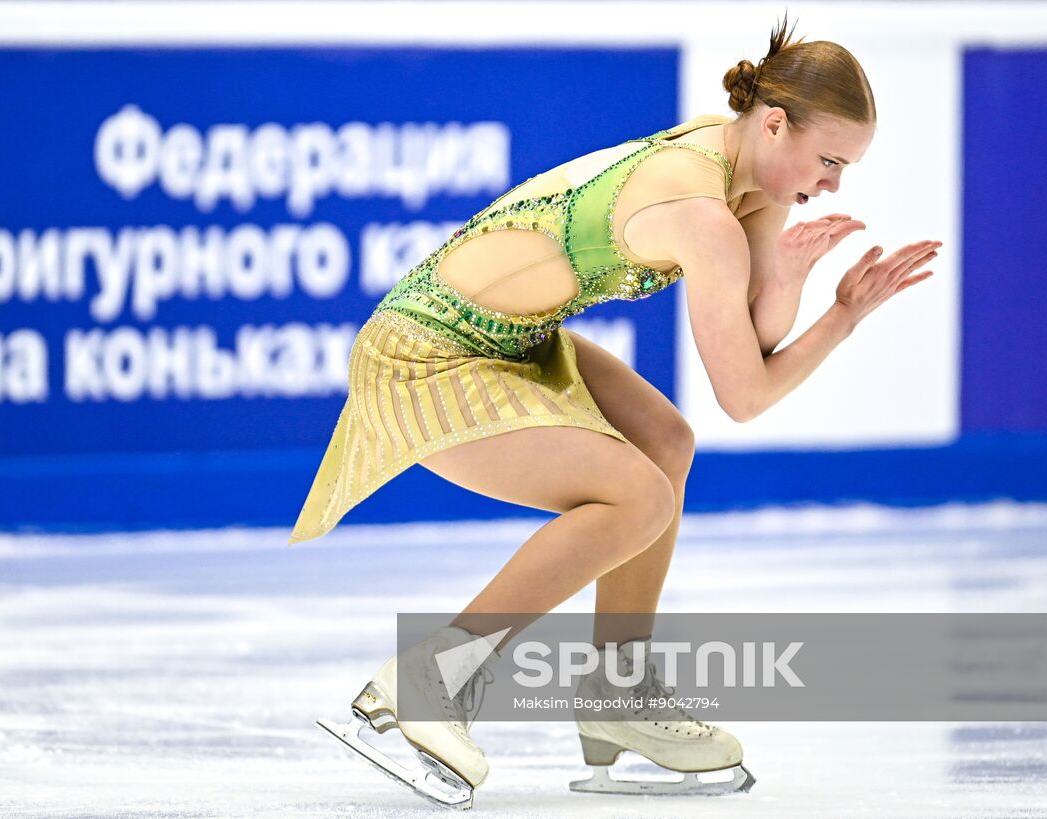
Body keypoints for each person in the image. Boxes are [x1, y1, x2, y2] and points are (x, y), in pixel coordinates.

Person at [304, 13, 940, 808]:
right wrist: (843, 318)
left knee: (666, 443)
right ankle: (431, 675)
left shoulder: (747, 164)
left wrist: (791, 281)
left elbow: (753, 331)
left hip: (511, 336)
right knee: (638, 494)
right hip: (427, 351)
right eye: (831, 160)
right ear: (776, 123)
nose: (835, 183)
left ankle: (618, 690)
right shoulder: (708, 215)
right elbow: (746, 394)